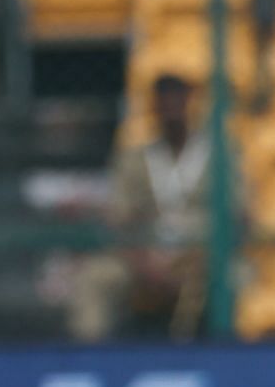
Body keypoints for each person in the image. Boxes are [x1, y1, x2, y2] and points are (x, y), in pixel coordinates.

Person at [70, 74, 221, 342]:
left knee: (235, 280)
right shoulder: (135, 159)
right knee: (95, 278)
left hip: (202, 257)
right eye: (165, 102)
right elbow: (119, 220)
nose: (172, 109)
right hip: (146, 256)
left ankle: (230, 358)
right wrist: (144, 263)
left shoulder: (219, 157)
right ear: (154, 108)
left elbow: (240, 218)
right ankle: (87, 362)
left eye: (178, 100)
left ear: (191, 104)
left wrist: (199, 257)